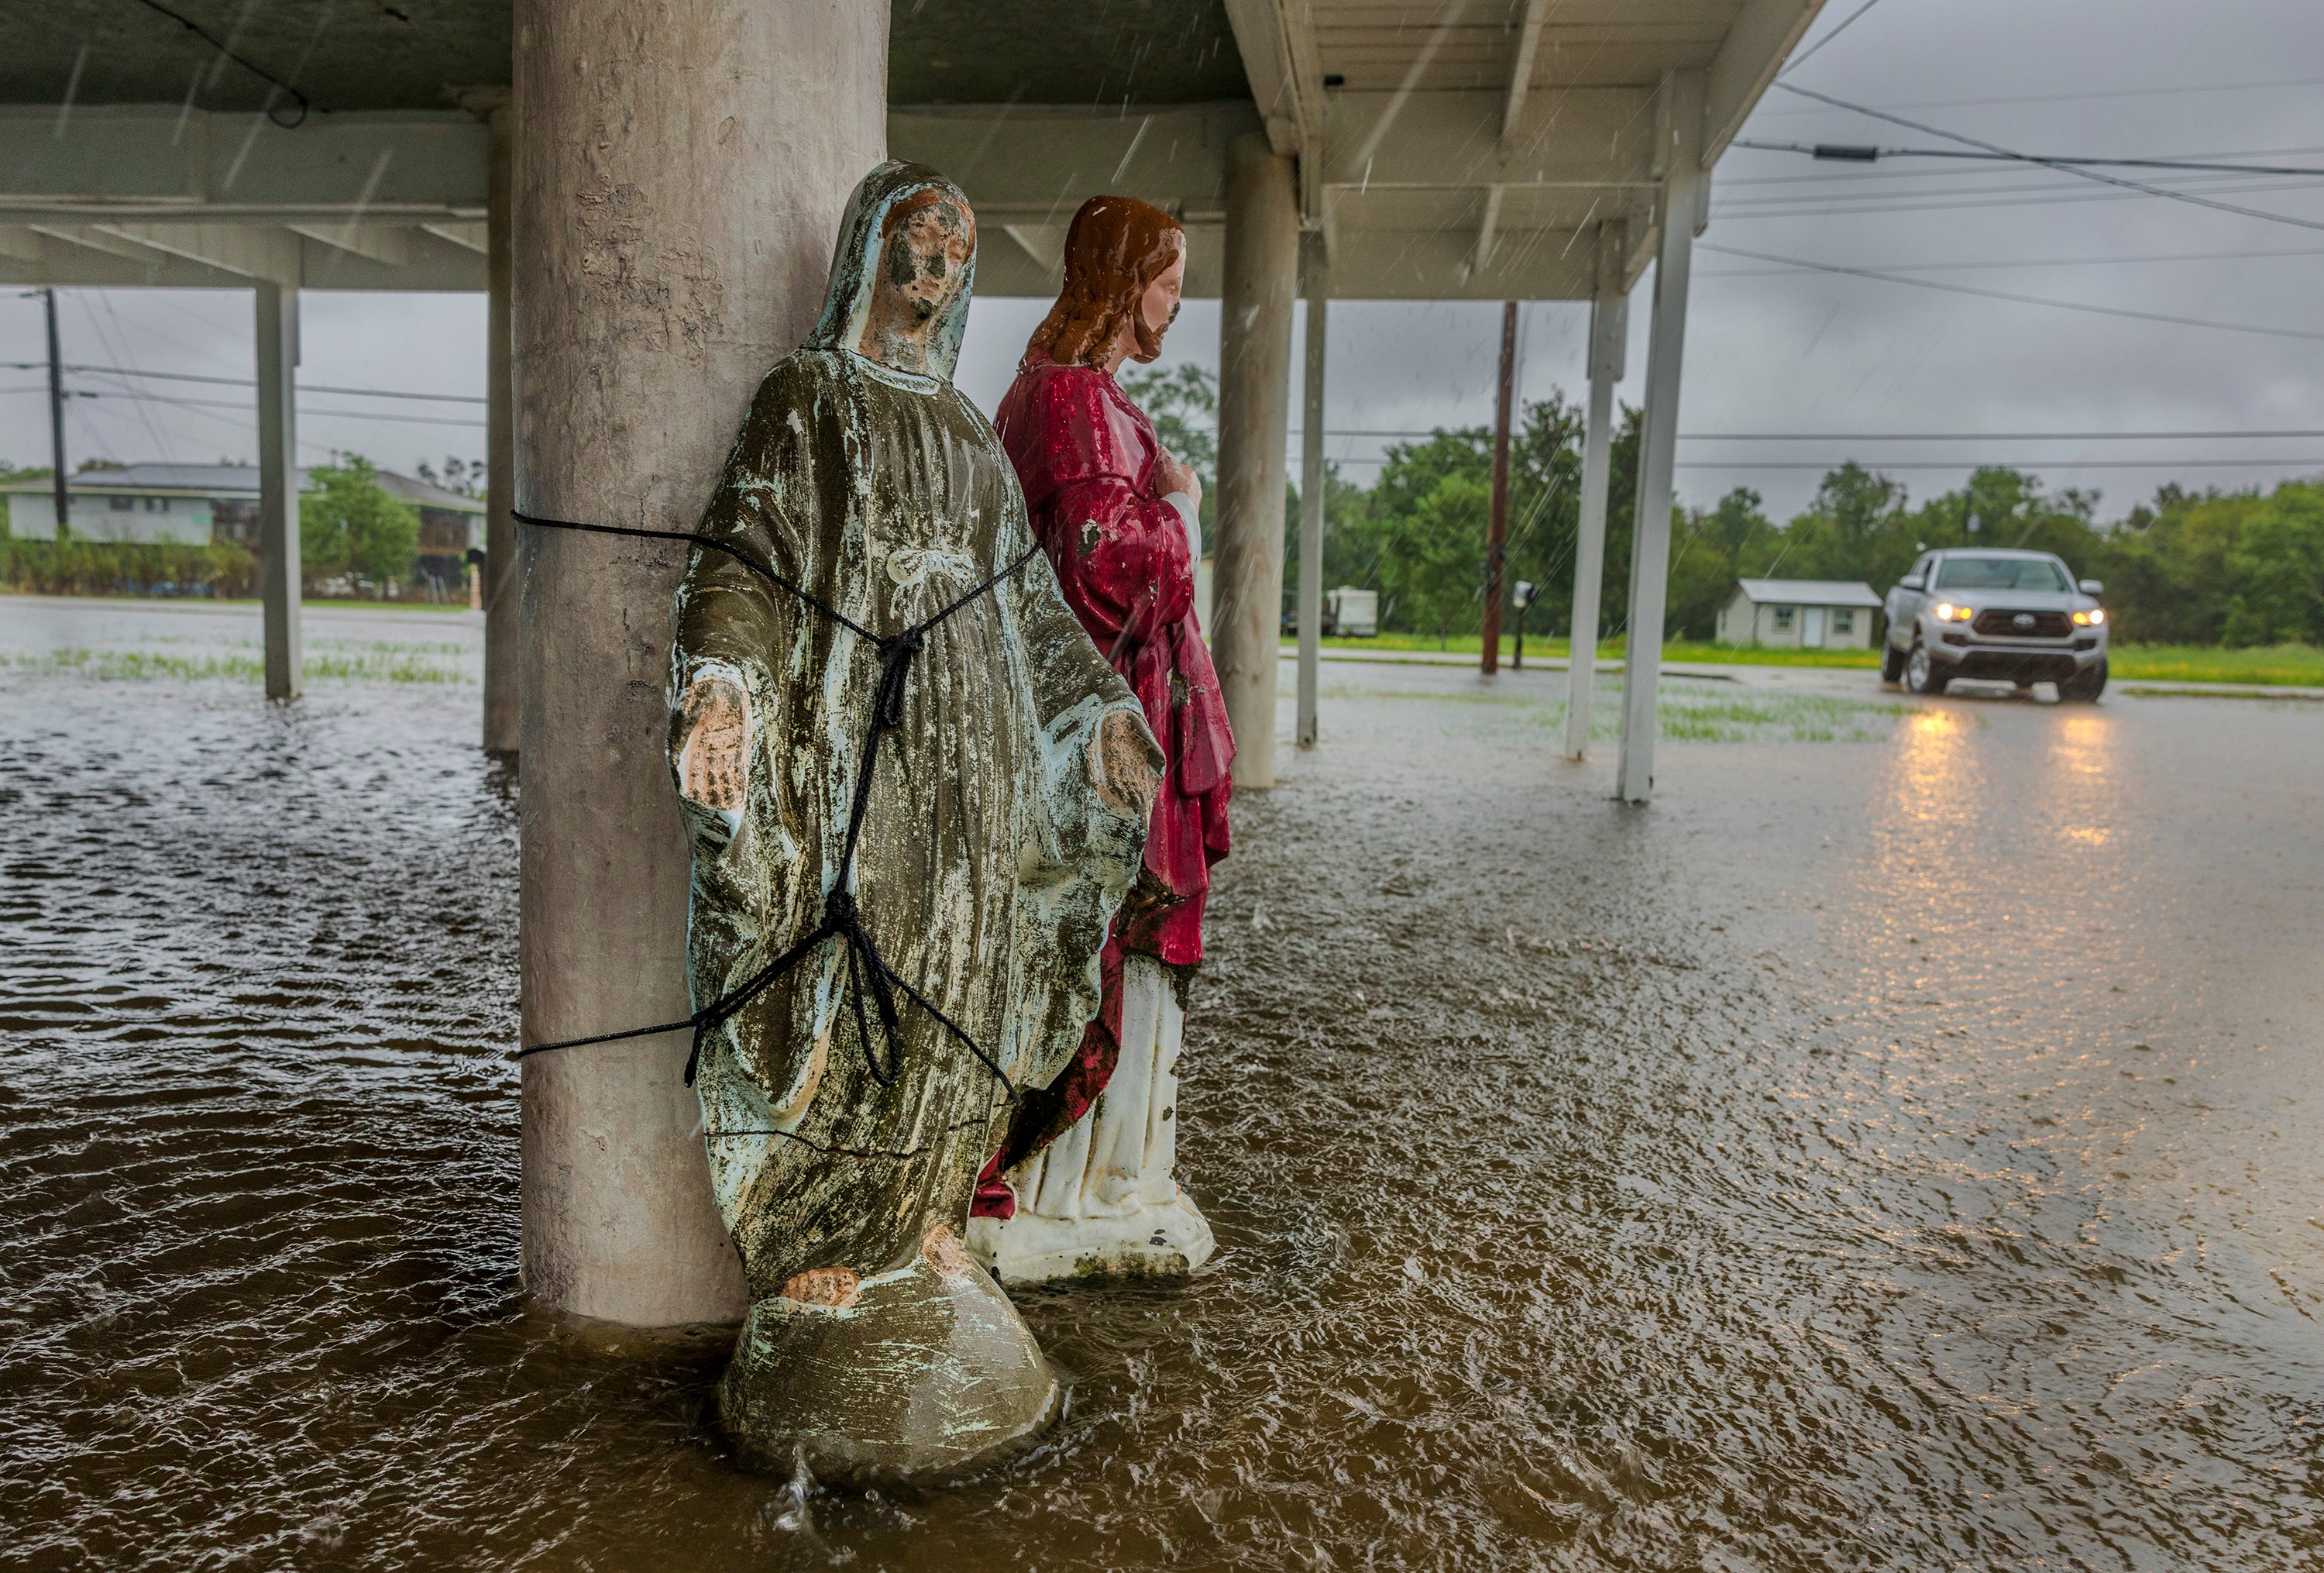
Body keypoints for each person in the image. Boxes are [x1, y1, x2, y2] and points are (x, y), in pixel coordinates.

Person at [665, 161, 1160, 1477]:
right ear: (868, 252)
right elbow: (745, 558)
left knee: (962, 971)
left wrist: (1098, 716)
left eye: (956, 252)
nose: (935, 271)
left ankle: (928, 1205)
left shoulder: (968, 437)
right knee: (848, 966)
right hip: (852, 750)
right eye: (916, 243)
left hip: (974, 756)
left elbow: (1033, 612)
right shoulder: (805, 400)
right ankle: (821, 1237)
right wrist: (721, 687)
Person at [968, 194, 1233, 1280]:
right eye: (1167, 274)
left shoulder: (1078, 394)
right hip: (1098, 734)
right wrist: (1183, 510)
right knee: (1093, 935)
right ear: (1122, 281)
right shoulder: (1072, 399)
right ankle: (1064, 1184)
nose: (1179, 295)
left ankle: (1109, 1174)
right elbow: (1096, 564)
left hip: (1117, 717)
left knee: (1100, 936)